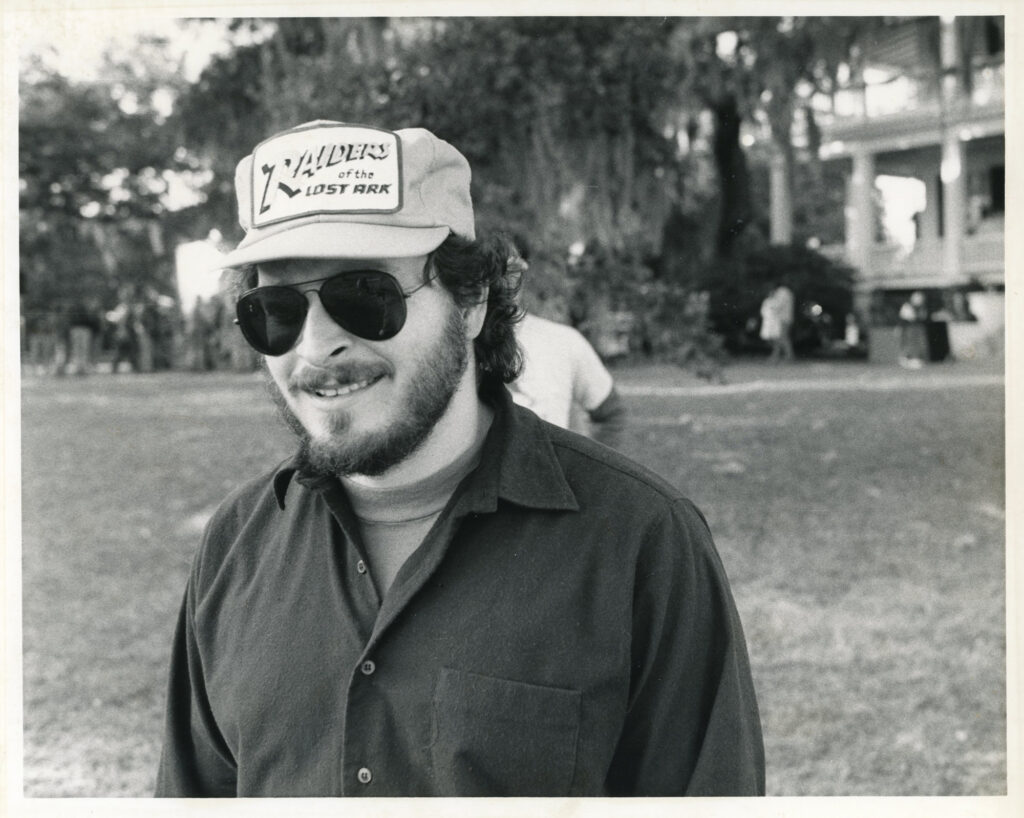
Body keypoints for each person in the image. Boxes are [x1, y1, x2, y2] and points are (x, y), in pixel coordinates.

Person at [156, 120, 764, 797]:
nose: (313, 348)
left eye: (364, 296)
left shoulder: (642, 544)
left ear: (471, 301)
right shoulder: (236, 545)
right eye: (274, 310)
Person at [509, 299, 626, 448]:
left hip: (545, 468)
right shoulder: (471, 340)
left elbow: (613, 413)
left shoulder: (563, 340)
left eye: (512, 275)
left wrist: (588, 468)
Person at [759, 282, 794, 363]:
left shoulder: (783, 292)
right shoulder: (782, 292)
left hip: (783, 318)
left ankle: (789, 356)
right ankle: (775, 356)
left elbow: (778, 305)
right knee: (777, 338)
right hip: (779, 319)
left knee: (783, 337)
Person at [898, 290, 928, 369]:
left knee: (919, 343)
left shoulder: (921, 308)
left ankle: (917, 359)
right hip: (909, 327)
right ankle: (907, 360)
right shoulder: (907, 306)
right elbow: (908, 318)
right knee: (910, 343)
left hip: (918, 327)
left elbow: (923, 317)